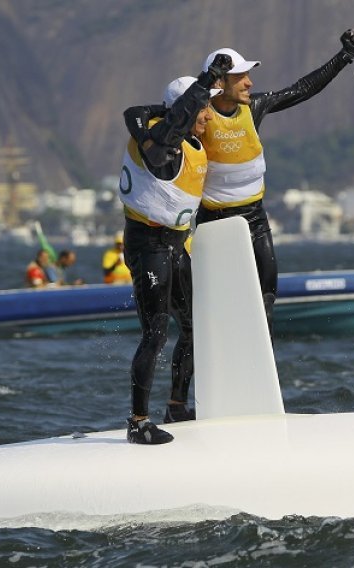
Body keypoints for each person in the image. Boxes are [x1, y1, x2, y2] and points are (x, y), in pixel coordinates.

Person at [125, 30, 354, 337]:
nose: (249, 83)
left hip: (255, 218)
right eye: (240, 77)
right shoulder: (198, 115)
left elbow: (302, 89)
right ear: (220, 82)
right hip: (214, 222)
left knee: (266, 299)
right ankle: (197, 373)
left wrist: (343, 57)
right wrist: (145, 138)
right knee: (209, 310)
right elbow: (141, 113)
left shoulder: (254, 108)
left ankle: (259, 374)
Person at [119, 54, 232, 444]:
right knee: (154, 334)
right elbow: (172, 123)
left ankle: (177, 405)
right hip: (147, 245)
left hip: (174, 245)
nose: (208, 115)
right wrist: (206, 80)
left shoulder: (190, 142)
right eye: (202, 108)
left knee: (192, 325)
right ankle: (138, 421)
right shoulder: (161, 146)